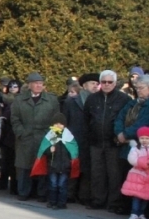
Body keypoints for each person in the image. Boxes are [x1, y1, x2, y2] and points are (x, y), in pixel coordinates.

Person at [83, 69, 131, 211]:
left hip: (114, 143)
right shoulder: (92, 99)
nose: (106, 84)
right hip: (96, 142)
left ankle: (114, 203)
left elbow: (126, 119)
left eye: (110, 82)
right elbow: (86, 120)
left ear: (115, 83)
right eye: (103, 82)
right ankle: (98, 200)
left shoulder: (124, 99)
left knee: (114, 174)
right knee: (97, 173)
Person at [11, 72, 60, 201]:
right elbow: (15, 119)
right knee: (24, 166)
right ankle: (23, 192)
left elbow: (57, 120)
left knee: (42, 165)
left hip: (44, 136)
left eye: (41, 83)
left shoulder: (52, 100)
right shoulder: (19, 100)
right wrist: (20, 132)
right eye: (36, 83)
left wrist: (54, 138)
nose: (39, 86)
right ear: (30, 85)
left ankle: (42, 193)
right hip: (25, 137)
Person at [29, 113, 79, 209]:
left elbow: (73, 150)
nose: (58, 126)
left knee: (62, 185)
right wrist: (49, 150)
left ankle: (62, 203)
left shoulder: (68, 136)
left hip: (64, 166)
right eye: (56, 124)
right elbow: (44, 150)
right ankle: (52, 202)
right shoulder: (51, 135)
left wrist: (71, 161)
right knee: (53, 185)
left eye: (61, 124)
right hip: (52, 166)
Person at [62, 73, 97, 204]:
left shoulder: (97, 100)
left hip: (90, 139)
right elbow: (65, 120)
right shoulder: (71, 101)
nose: (95, 86)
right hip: (74, 138)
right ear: (84, 85)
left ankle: (84, 196)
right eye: (92, 83)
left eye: (96, 84)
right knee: (72, 166)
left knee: (87, 169)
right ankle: (69, 194)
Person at [121, 127, 149, 219]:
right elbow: (132, 159)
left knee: (145, 197)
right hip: (138, 176)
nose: (144, 140)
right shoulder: (135, 148)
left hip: (147, 177)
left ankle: (141, 214)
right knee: (136, 196)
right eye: (142, 138)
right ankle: (134, 213)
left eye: (146, 138)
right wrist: (144, 163)